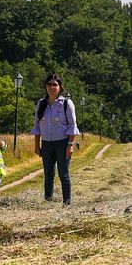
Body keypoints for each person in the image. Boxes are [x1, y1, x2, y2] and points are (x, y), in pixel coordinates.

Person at [31, 74, 80, 205]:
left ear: (60, 87)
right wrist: (37, 146)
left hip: (62, 143)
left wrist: (70, 145)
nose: (52, 87)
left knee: (63, 173)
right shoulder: (41, 104)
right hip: (47, 143)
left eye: (55, 84)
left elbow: (72, 125)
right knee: (48, 174)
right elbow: (37, 126)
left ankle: (67, 202)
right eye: (49, 84)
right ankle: (48, 201)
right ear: (45, 87)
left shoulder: (66, 104)